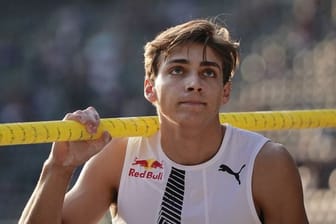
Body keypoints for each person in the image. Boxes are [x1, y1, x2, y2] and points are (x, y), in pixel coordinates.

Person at [19, 19, 309, 224]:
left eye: (207, 73)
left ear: (225, 91)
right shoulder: (119, 156)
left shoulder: (268, 163)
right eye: (178, 71)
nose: (194, 83)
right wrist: (58, 168)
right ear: (149, 88)